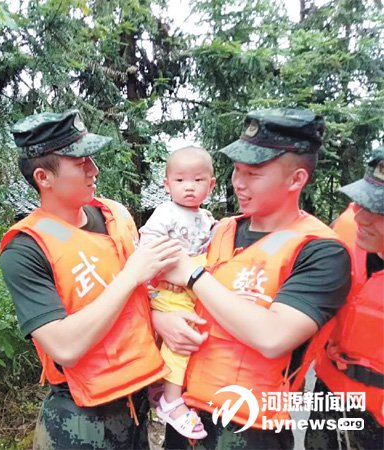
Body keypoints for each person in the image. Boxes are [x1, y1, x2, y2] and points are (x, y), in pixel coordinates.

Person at [155, 108, 352, 449]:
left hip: (250, 428)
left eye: (254, 173)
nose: (238, 182)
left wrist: (193, 275)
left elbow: (273, 336)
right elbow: (165, 289)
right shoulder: (219, 230)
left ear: (296, 180)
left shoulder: (321, 251)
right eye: (236, 169)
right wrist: (160, 318)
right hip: (187, 416)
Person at [0, 110, 181, 449]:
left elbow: (142, 296)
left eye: (92, 159)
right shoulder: (26, 249)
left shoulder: (116, 215)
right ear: (44, 177)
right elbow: (64, 346)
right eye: (80, 162)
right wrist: (130, 277)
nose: (94, 170)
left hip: (137, 405)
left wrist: (161, 316)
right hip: (80, 420)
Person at [305, 147, 384, 450]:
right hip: (330, 391)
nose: (361, 216)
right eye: (363, 201)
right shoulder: (349, 226)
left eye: (379, 210)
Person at [139, 147, 216, 439]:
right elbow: (147, 246)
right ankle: (171, 401)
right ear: (167, 184)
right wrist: (161, 273)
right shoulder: (166, 213)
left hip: (191, 288)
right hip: (170, 288)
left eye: (198, 180)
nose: (189, 187)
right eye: (180, 180)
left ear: (211, 185)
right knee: (181, 340)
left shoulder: (206, 218)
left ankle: (159, 386)